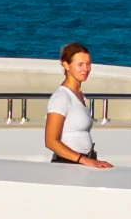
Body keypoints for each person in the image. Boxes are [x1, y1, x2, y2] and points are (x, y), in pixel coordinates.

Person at [45, 41, 113, 169]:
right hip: (68, 165)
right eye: (80, 64)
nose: (86, 69)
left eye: (88, 64)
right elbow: (50, 141)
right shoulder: (61, 97)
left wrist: (89, 160)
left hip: (81, 162)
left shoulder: (80, 95)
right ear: (66, 65)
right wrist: (84, 160)